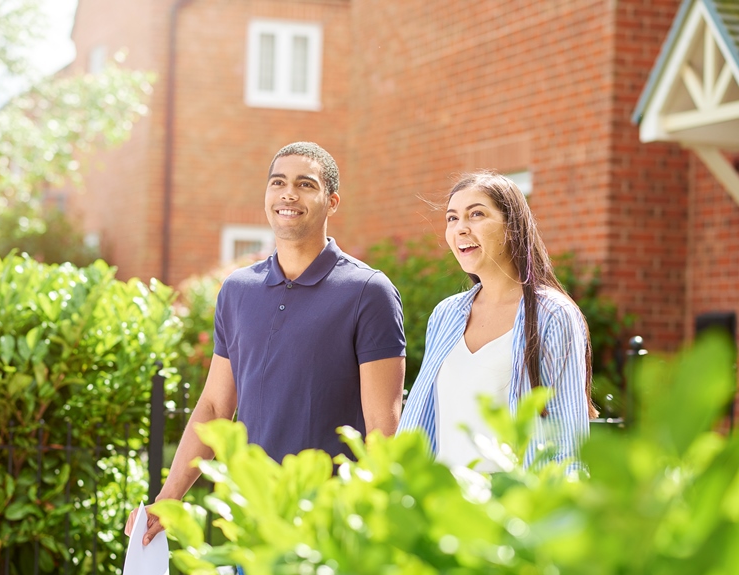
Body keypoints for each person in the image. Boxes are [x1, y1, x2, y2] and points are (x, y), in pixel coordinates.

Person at [126, 142, 406, 544]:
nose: (288, 193)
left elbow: (383, 426)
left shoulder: (368, 291)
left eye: (305, 184)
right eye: (278, 182)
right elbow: (215, 406)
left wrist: (371, 521)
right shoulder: (238, 290)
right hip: (249, 517)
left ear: (332, 201)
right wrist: (169, 499)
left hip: (329, 523)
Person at [398, 171, 596, 472]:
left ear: (512, 227)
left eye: (476, 214)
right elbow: (427, 421)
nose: (460, 228)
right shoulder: (446, 315)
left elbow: (567, 436)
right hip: (444, 508)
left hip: (512, 509)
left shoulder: (552, 315)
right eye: (452, 218)